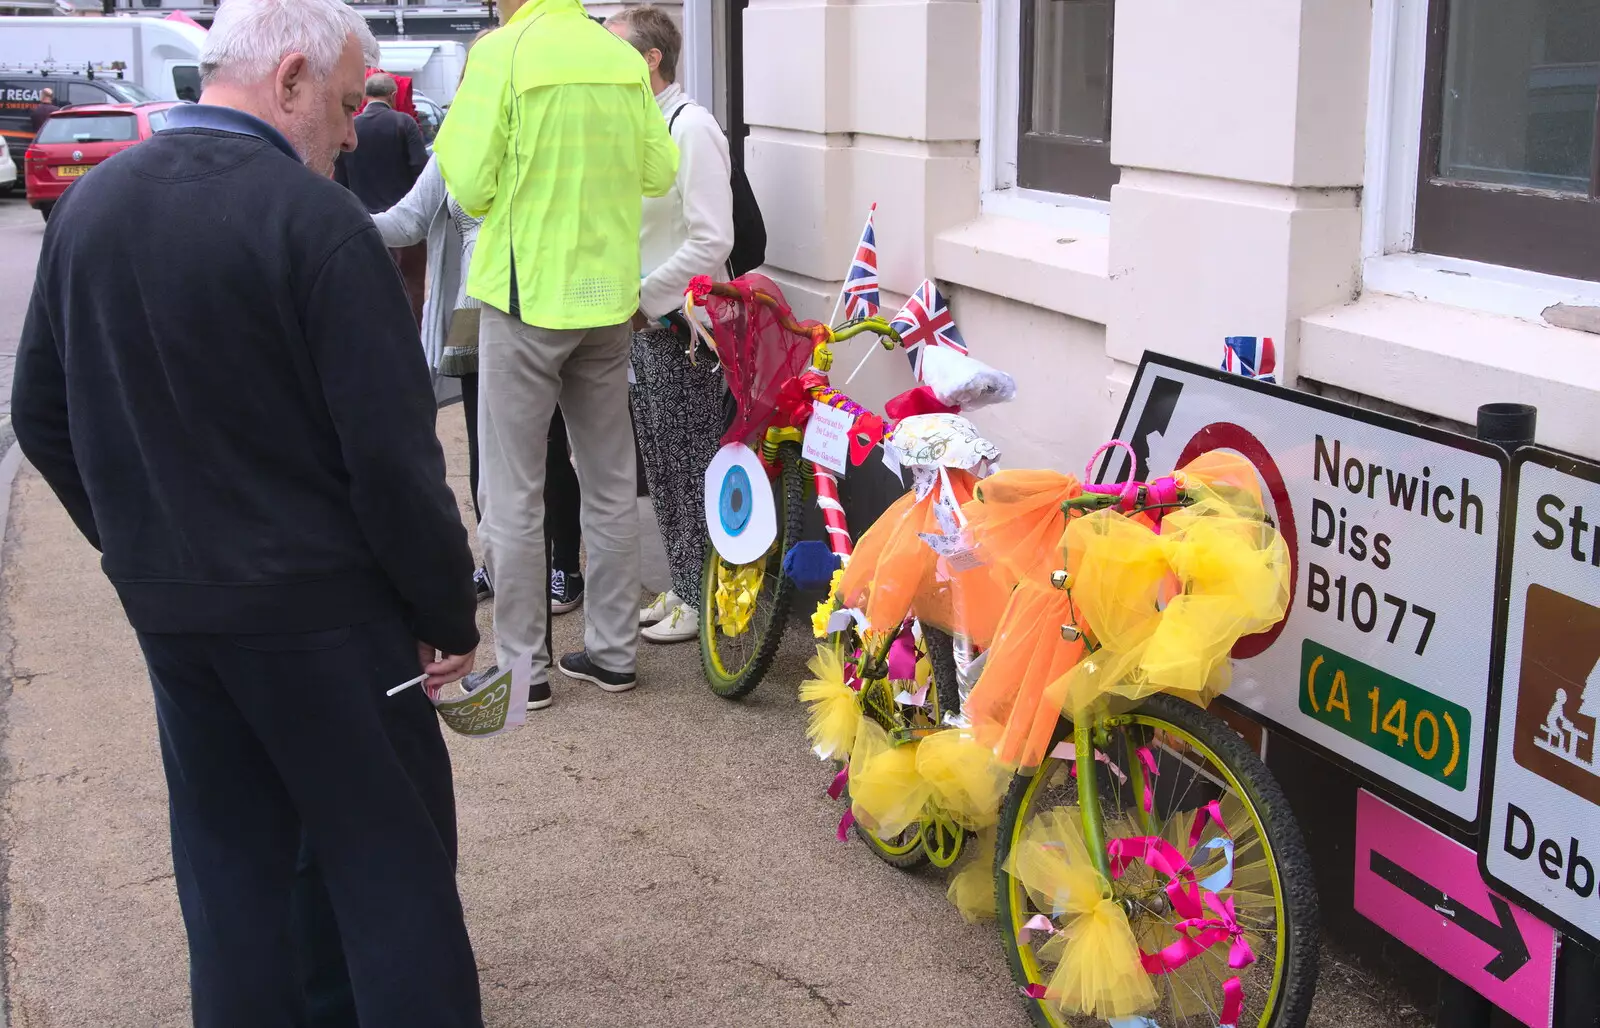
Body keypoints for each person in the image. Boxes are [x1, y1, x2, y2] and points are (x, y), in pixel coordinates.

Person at [10, 0, 484, 1024]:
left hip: (182, 611)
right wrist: (447, 607)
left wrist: (145, 543)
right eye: (352, 102)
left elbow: (40, 413)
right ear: (292, 81)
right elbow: (394, 461)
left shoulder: (93, 207)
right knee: (390, 871)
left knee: (231, 884)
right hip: (328, 615)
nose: (357, 130)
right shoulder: (317, 225)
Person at [434, 0, 677, 705]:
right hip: (605, 298)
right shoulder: (618, 57)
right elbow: (659, 172)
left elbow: (470, 185)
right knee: (607, 482)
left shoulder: (502, 52)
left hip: (525, 295)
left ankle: (522, 671)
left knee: (512, 490)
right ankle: (611, 653)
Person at [371, 152, 587, 620]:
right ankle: (499, 565)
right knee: (482, 451)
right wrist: (334, 213)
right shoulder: (457, 141)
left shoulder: (534, 122)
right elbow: (407, 220)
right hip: (475, 313)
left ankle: (565, 564)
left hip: (537, 307)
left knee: (546, 448)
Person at [607, 5, 734, 645]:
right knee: (662, 466)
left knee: (690, 464)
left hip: (685, 333)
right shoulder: (650, 128)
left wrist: (643, 297)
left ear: (651, 59)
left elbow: (712, 239)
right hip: (649, 328)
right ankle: (685, 585)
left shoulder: (692, 128)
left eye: (617, 49)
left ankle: (701, 595)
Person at [336, 72, 429, 323]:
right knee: (411, 291)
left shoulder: (352, 127)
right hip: (405, 226)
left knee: (370, 291)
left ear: (365, 96)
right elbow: (420, 170)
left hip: (364, 224)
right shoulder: (404, 124)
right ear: (393, 95)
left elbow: (340, 179)